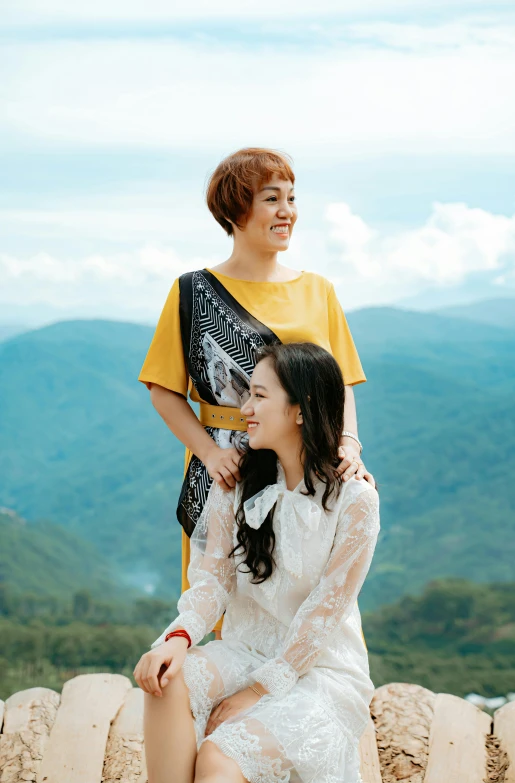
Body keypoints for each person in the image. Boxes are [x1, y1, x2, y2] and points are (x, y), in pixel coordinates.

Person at [138, 147, 375, 640]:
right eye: (272, 198)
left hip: (303, 465)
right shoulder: (193, 292)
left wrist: (348, 446)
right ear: (235, 210)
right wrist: (207, 453)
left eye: (291, 197)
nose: (288, 210)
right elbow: (164, 389)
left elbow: (343, 383)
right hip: (225, 466)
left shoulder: (319, 290)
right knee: (221, 596)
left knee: (306, 594)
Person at [134, 342, 380, 783]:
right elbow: (214, 582)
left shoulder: (355, 499)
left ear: (301, 410)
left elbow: (325, 611)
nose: (244, 408)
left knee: (219, 758)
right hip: (244, 649)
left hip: (318, 669)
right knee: (165, 678)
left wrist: (261, 689)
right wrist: (178, 636)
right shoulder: (237, 482)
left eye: (260, 396)